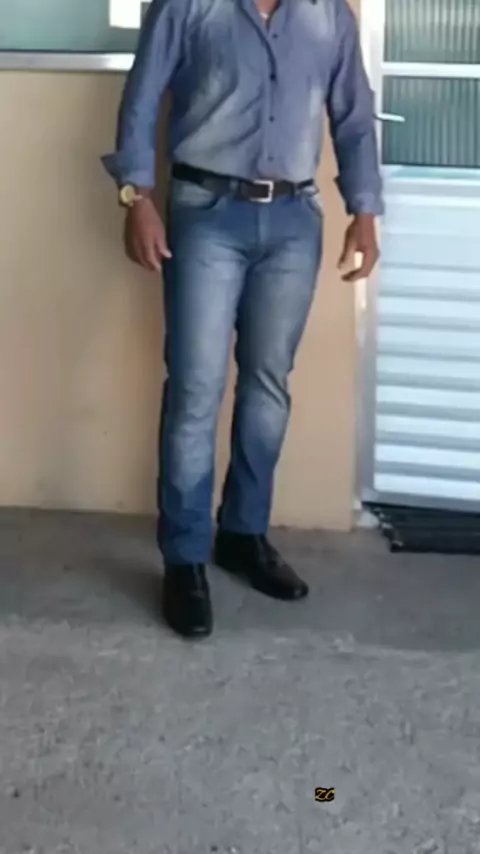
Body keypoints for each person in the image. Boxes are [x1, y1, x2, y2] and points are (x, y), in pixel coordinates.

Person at [103, 0, 383, 639]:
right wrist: (136, 198)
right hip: (206, 212)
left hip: (293, 221)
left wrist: (364, 211)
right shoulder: (189, 6)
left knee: (267, 385)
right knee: (196, 389)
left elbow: (353, 115)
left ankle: (243, 534)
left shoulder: (327, 16)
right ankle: (184, 558)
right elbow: (141, 99)